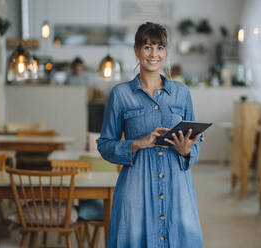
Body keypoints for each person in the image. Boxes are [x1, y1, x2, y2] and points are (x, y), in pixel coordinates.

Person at [98, 22, 204, 247]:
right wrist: (136, 144)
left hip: (178, 189)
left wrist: (187, 151)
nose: (154, 54)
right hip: (136, 190)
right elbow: (105, 145)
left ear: (166, 52)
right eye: (147, 47)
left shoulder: (181, 94)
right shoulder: (120, 95)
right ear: (136, 51)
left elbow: (196, 140)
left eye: (160, 47)